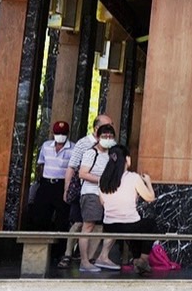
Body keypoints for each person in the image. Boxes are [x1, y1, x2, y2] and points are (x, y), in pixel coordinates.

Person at [61, 113, 113, 267]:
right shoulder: (84, 144)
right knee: (79, 223)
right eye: (106, 126)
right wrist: (67, 189)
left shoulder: (109, 146)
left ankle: (88, 257)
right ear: (96, 128)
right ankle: (68, 253)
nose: (110, 129)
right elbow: (72, 167)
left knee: (98, 225)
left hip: (103, 193)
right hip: (83, 189)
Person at [98, 145, 157, 273]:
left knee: (136, 226)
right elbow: (150, 198)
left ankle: (137, 261)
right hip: (129, 224)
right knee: (150, 224)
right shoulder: (133, 177)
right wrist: (148, 182)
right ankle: (142, 260)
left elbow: (102, 202)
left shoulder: (103, 180)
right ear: (127, 159)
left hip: (109, 225)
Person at [75, 122, 119, 272]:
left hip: (107, 194)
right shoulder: (90, 153)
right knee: (88, 226)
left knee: (112, 225)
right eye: (104, 136)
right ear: (98, 137)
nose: (108, 138)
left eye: (110, 136)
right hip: (91, 193)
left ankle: (102, 257)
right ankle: (84, 261)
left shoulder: (112, 155)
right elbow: (82, 173)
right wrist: (102, 180)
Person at [31, 120, 74, 267]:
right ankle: (38, 251)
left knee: (62, 220)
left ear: (67, 134)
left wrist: (67, 189)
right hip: (46, 183)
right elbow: (41, 164)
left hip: (61, 185)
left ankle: (58, 253)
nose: (60, 136)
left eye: (62, 134)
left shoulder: (72, 148)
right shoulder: (46, 146)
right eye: (57, 133)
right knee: (39, 216)